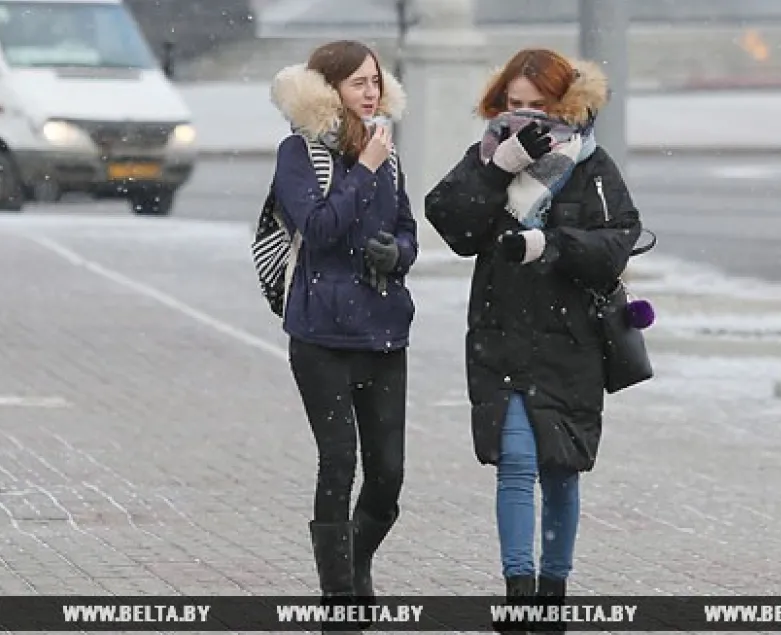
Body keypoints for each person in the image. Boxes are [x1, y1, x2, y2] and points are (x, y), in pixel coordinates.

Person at [423, 48, 643, 626]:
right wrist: (497, 169)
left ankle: (553, 592)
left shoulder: (593, 166)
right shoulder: (490, 156)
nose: (524, 119)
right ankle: (519, 594)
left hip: (570, 340)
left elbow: (620, 238)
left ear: (564, 105)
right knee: (516, 462)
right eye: (513, 106)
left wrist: (555, 245)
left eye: (538, 107)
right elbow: (451, 223)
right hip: (500, 334)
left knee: (560, 466)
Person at [269, 40, 417, 622]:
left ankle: (354, 562)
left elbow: (407, 229)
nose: (372, 92)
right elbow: (320, 228)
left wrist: (395, 253)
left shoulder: (386, 150)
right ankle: (338, 597)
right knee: (339, 461)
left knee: (388, 475)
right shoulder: (299, 152)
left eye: (376, 81)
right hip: (322, 333)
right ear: (330, 90)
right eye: (359, 83)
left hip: (383, 329)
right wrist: (365, 171)